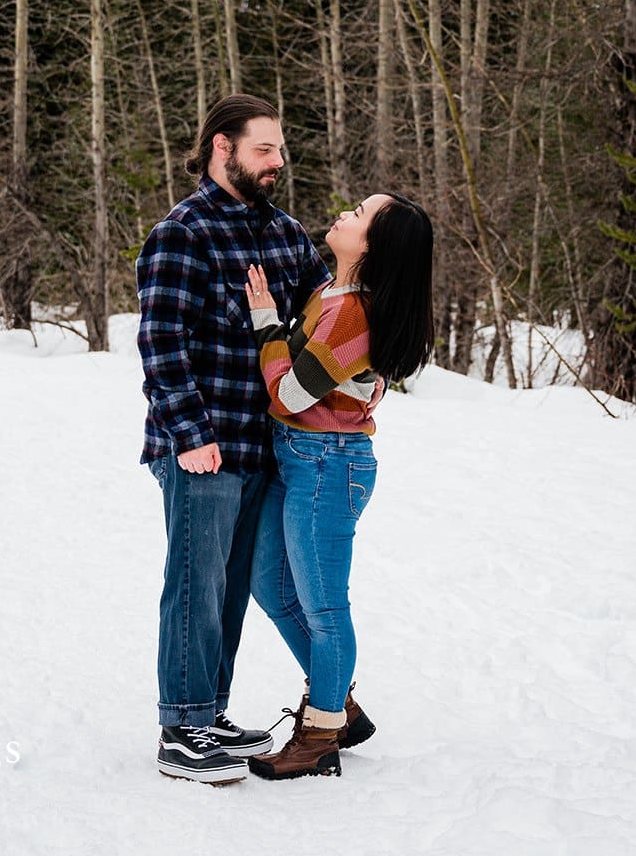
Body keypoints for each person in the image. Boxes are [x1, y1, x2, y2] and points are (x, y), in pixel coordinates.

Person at [135, 93, 331, 784]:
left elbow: (326, 318)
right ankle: (181, 727)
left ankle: (209, 711)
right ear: (223, 147)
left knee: (228, 586)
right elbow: (161, 342)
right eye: (264, 149)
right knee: (194, 580)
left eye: (280, 149)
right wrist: (189, 433)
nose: (278, 162)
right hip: (202, 444)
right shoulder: (181, 233)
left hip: (264, 444)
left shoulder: (285, 234)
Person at [240, 192, 435, 780]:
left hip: (328, 463)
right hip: (301, 457)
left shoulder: (353, 311)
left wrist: (267, 325)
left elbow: (289, 393)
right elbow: (308, 380)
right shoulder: (331, 292)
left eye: (359, 214)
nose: (345, 213)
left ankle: (321, 733)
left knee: (324, 606)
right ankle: (338, 703)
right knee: (270, 586)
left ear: (373, 245)